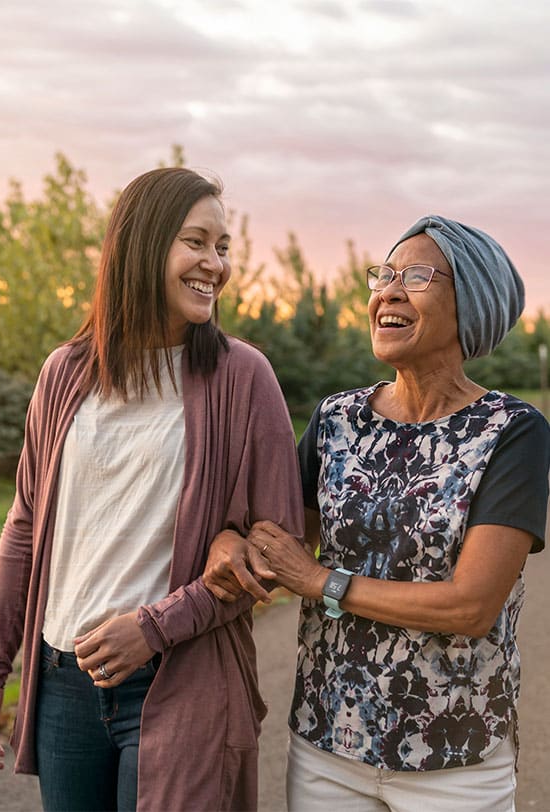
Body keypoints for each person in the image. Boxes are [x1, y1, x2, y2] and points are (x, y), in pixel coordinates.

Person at [0, 167, 304, 812]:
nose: (216, 263)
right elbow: (22, 528)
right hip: (64, 679)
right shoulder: (65, 373)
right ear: (142, 245)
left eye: (223, 247)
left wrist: (155, 627)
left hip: (182, 676)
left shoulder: (242, 377)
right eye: (196, 242)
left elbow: (275, 548)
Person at [204, 215, 550, 812]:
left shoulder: (512, 433)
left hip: (456, 758)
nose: (387, 290)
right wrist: (229, 544)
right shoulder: (337, 419)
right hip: (327, 746)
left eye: (416, 275)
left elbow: (470, 607)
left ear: (470, 303)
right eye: (383, 274)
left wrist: (320, 581)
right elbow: (279, 545)